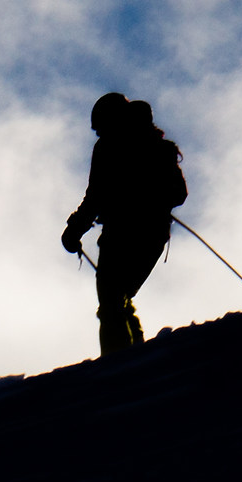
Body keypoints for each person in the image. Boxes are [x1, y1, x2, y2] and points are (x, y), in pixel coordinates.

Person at [61, 93, 186, 357]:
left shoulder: (108, 147)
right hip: (153, 233)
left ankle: (119, 360)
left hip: (121, 234)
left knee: (111, 302)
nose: (99, 133)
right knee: (117, 298)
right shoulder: (154, 143)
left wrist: (74, 230)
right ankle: (133, 356)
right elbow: (178, 194)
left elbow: (94, 197)